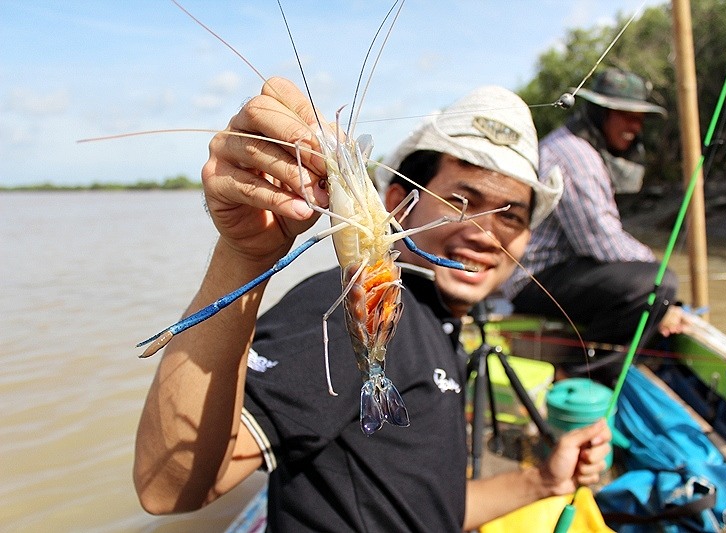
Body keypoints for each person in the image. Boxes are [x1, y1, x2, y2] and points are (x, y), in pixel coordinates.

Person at [133, 77, 612, 532]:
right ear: (399, 203)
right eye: (463, 201)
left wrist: (544, 480)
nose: (486, 233)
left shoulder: (442, 323)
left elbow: (427, 505)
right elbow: (166, 488)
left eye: (512, 216)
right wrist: (242, 256)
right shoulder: (338, 302)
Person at [501, 68, 686, 386]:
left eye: (639, 118)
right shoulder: (575, 155)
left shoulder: (573, 145)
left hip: (553, 271)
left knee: (654, 284)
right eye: (625, 115)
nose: (634, 127)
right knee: (658, 283)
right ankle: (578, 372)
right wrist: (663, 286)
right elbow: (602, 243)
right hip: (533, 280)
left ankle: (600, 363)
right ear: (600, 113)